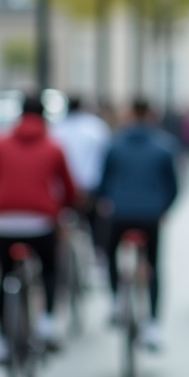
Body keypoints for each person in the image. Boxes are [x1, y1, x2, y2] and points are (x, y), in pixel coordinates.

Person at [0, 94, 76, 361]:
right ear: (43, 115)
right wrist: (65, 209)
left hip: (2, 221)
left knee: (3, 276)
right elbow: (68, 188)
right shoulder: (54, 146)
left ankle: (2, 342)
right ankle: (46, 323)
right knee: (50, 270)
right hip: (39, 222)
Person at [96, 99, 178, 351]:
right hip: (150, 216)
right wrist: (164, 210)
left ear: (129, 114)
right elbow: (173, 186)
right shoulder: (164, 146)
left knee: (109, 255)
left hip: (120, 213)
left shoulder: (114, 143)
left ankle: (114, 301)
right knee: (152, 266)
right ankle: (152, 325)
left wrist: (106, 203)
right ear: (151, 115)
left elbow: (104, 182)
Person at [51, 96, 111, 261]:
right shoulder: (96, 127)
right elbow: (105, 156)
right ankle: (99, 256)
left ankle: (60, 257)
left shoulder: (56, 128)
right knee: (96, 224)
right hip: (89, 185)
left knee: (60, 225)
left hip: (62, 187)